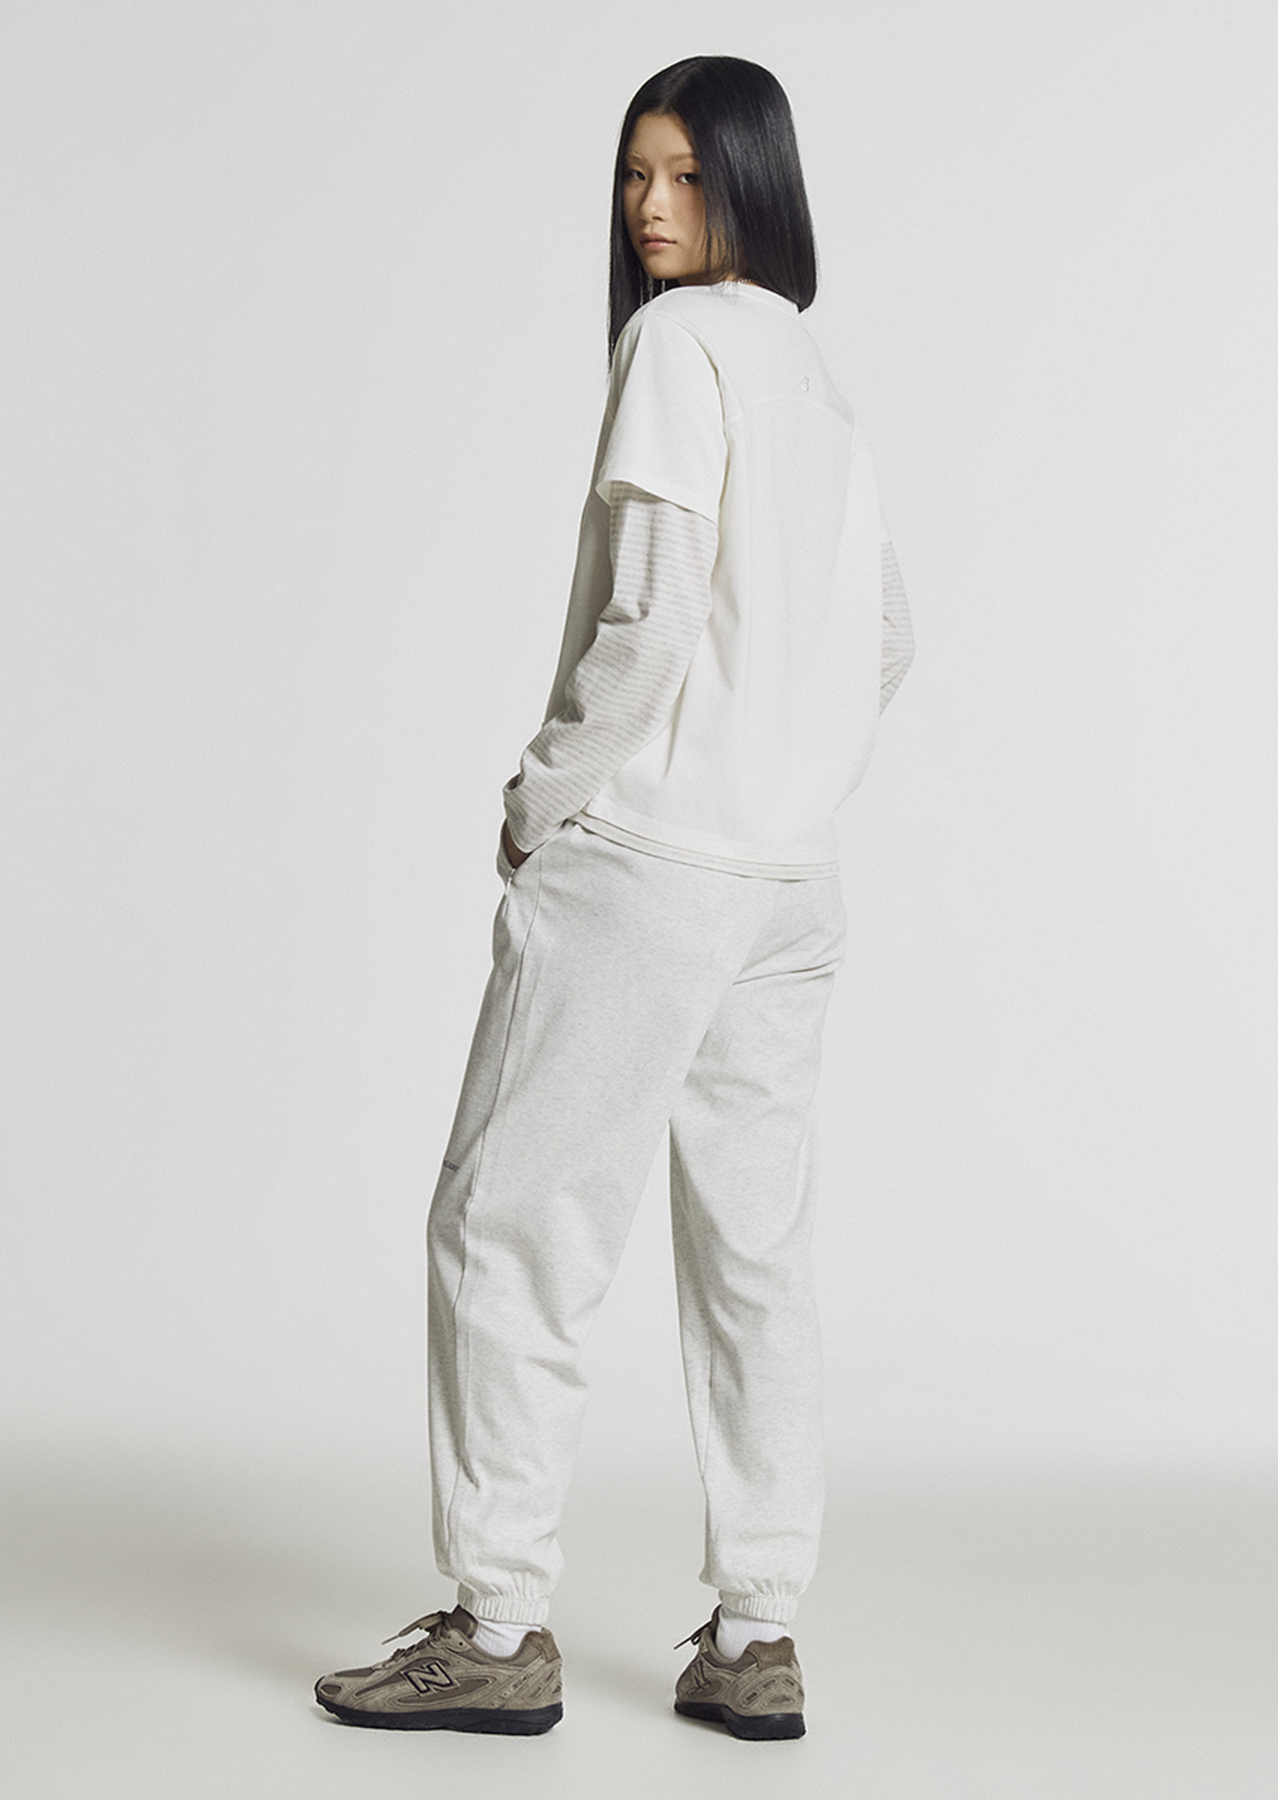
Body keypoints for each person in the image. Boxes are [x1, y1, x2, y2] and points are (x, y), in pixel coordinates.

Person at [314, 54, 914, 1742]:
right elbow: (887, 636)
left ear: (752, 183)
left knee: (509, 1223)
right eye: (636, 175)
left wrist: (544, 796)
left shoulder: (676, 345)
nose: (652, 207)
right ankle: (758, 1631)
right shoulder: (814, 377)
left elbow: (650, 613)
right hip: (787, 886)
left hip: (648, 870)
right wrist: (783, 773)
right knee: (754, 1256)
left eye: (687, 176)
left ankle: (500, 1625)